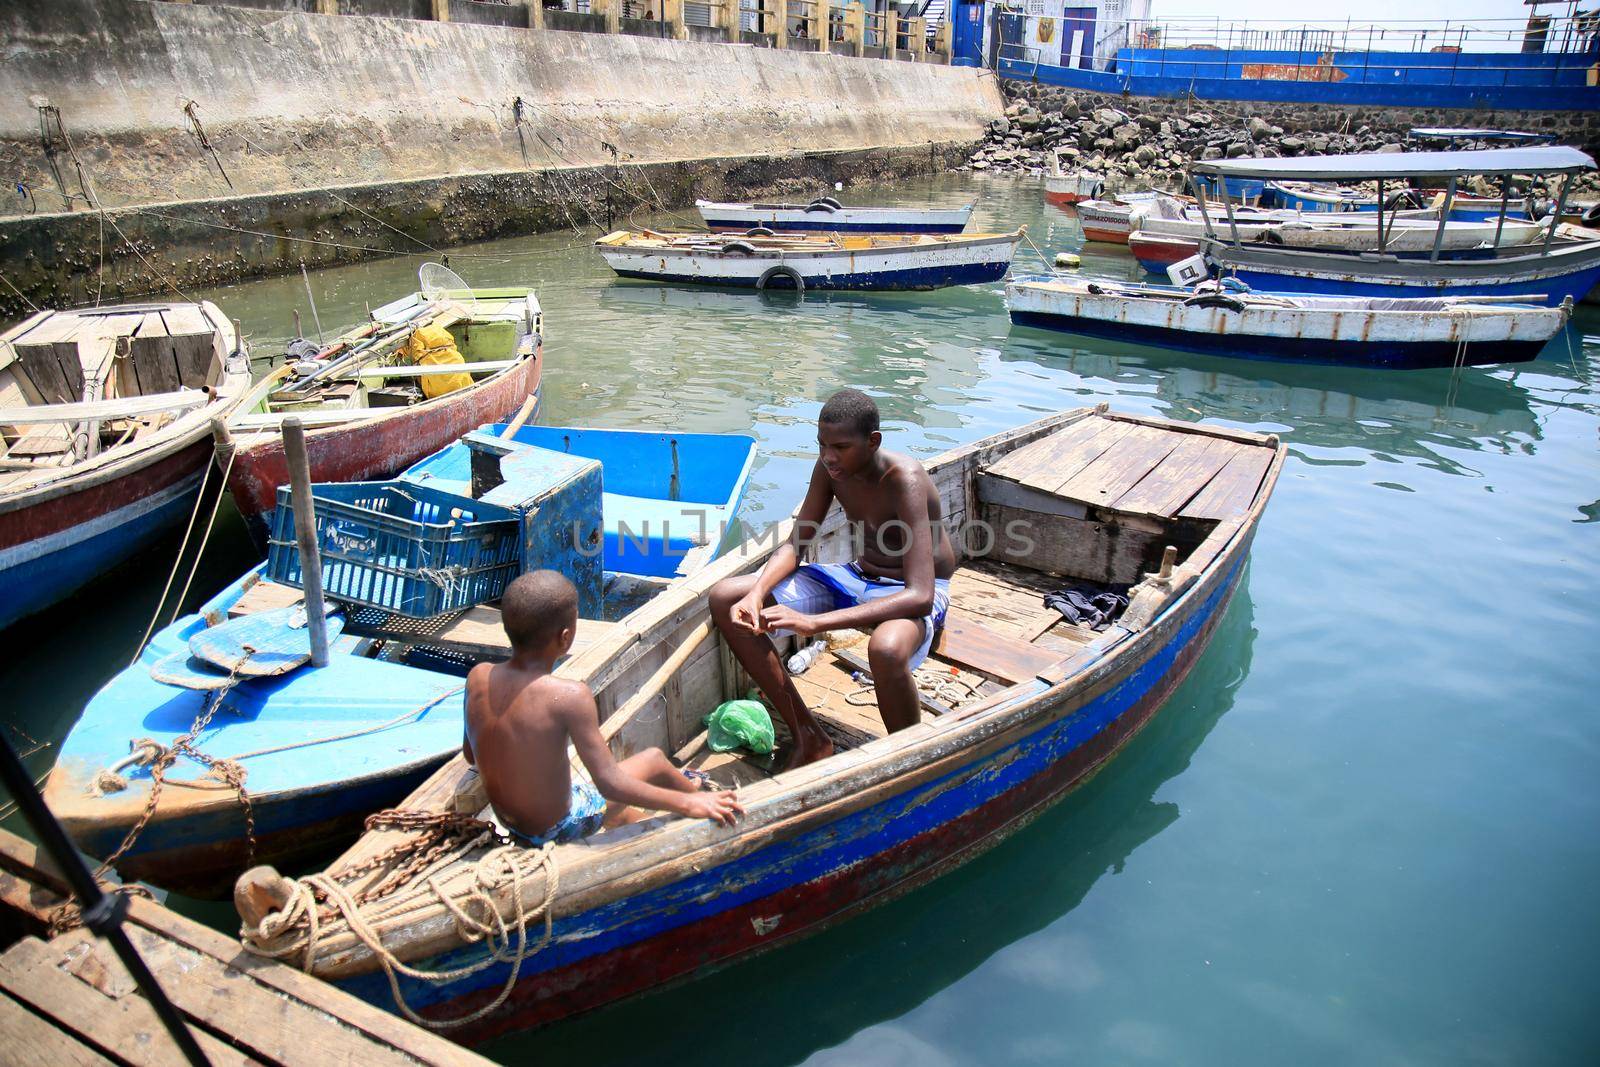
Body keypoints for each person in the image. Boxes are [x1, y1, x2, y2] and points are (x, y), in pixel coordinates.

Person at [710, 389, 955, 769]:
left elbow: (920, 595)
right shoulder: (829, 470)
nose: (828, 456)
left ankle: (908, 760)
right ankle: (808, 735)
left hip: (911, 591)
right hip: (857, 575)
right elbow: (796, 545)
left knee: (886, 651)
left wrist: (812, 623)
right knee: (727, 596)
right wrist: (757, 593)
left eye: (840, 446)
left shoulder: (905, 479)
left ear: (873, 442)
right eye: (822, 445)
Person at [465, 570, 744, 846]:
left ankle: (651, 835)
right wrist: (686, 803)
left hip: (512, 822)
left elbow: (470, 755)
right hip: (556, 828)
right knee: (654, 760)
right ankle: (700, 801)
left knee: (623, 816)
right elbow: (609, 784)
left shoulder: (477, 676)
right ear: (565, 637)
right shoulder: (569, 695)